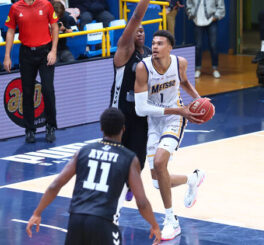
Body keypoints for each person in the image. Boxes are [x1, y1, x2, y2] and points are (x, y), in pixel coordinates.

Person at [26, 107, 161, 245]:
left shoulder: (83, 151)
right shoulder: (129, 158)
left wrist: (37, 213)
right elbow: (142, 202)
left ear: (101, 128)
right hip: (104, 222)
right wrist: (154, 225)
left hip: (76, 220)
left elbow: (55, 185)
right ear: (123, 129)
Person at [134, 30, 207, 240]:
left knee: (159, 163)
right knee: (158, 181)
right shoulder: (143, 68)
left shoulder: (180, 63)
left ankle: (171, 221)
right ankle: (192, 179)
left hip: (174, 119)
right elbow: (140, 109)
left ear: (170, 48)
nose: (155, 47)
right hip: (154, 120)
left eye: (160, 43)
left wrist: (199, 100)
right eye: (153, 43)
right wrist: (178, 110)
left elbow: (183, 82)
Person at [110, 0, 152, 200]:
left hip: (140, 113)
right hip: (119, 114)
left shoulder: (151, 56)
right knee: (116, 157)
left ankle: (129, 185)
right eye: (136, 30)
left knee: (139, 158)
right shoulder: (124, 51)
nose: (140, 32)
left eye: (143, 30)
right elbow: (135, 18)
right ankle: (111, 190)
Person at [3, 0, 59, 143]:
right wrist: (7, 56)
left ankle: (51, 126)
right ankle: (29, 130)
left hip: (45, 52)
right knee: (27, 92)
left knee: (47, 89)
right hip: (26, 53)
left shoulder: (46, 4)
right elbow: (10, 31)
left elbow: (54, 27)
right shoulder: (15, 8)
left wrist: (53, 51)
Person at [186, 0, 225, 79]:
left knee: (213, 45)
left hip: (211, 22)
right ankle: (198, 69)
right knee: (198, 46)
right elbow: (188, 5)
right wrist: (191, 14)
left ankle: (215, 69)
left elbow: (221, 7)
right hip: (197, 22)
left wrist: (216, 17)